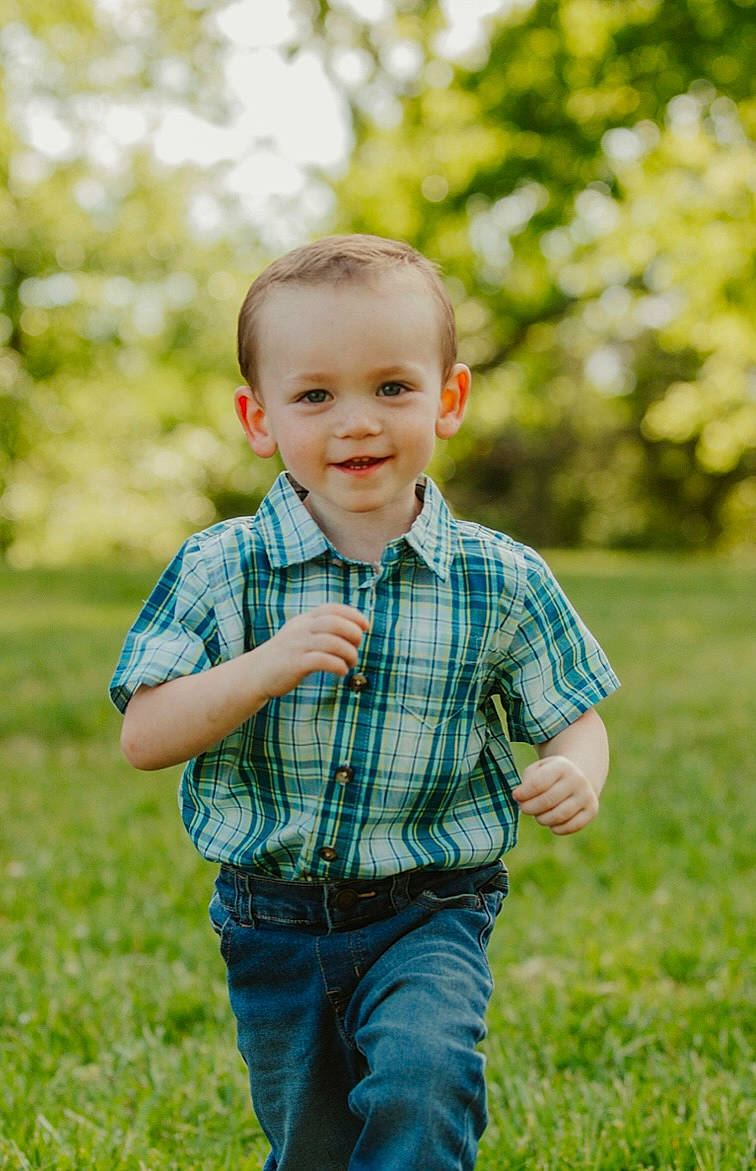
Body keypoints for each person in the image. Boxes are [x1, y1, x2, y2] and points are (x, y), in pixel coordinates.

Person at [110, 234, 620, 1171]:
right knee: (313, 1146)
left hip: (432, 906)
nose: (357, 423)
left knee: (423, 1080)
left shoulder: (499, 578)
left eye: (392, 387)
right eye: (315, 395)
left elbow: (573, 713)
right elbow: (146, 733)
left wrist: (573, 768)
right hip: (273, 918)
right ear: (257, 417)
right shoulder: (221, 567)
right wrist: (261, 667)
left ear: (449, 399)